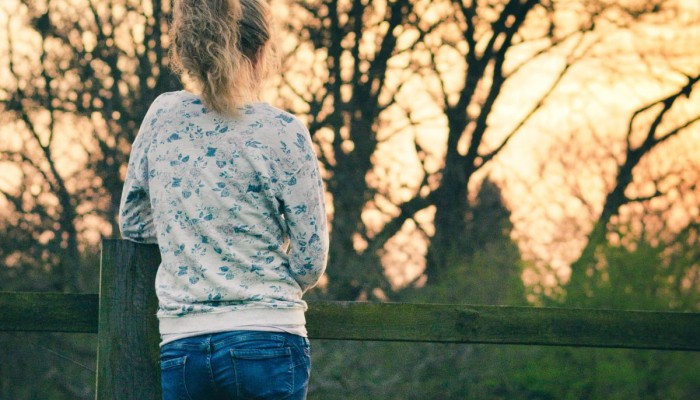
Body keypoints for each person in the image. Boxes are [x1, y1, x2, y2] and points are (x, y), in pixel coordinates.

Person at [118, 0, 329, 399]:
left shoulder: (163, 115)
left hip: (183, 343)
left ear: (188, 50)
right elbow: (310, 258)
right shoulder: (283, 131)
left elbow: (133, 222)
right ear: (260, 48)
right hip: (267, 338)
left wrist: (189, 234)